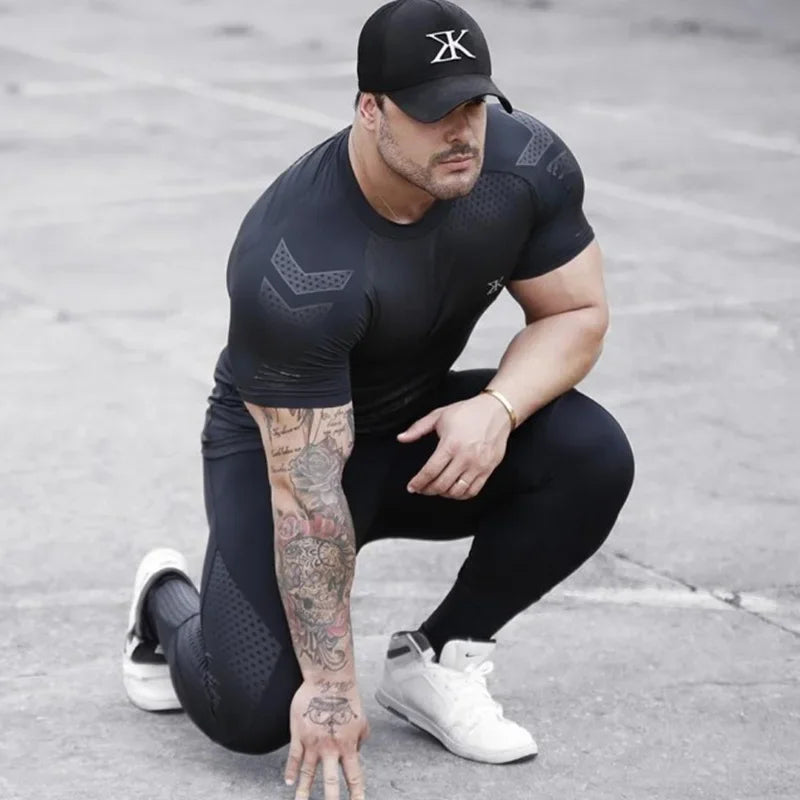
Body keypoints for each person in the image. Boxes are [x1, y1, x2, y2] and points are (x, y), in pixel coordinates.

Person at [122, 0, 634, 798]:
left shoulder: (525, 165)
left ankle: (439, 658)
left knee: (589, 455)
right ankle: (163, 602)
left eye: (473, 104)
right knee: (250, 715)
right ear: (370, 110)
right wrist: (329, 688)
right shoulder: (296, 262)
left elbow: (576, 312)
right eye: (435, 114)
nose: (462, 131)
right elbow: (308, 489)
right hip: (281, 462)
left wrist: (495, 407)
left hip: (412, 430)